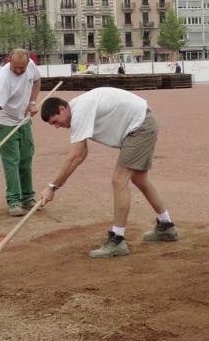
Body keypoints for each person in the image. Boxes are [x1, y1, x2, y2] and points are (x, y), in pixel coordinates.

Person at [40, 87, 179, 258]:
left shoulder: (80, 109)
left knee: (119, 180)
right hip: (140, 125)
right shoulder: (78, 110)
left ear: (62, 109)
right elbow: (81, 154)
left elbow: (77, 155)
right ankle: (166, 226)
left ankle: (117, 240)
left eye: (55, 121)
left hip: (140, 127)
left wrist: (52, 187)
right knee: (139, 179)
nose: (57, 127)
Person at [0, 48, 42, 216]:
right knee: (12, 162)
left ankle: (27, 198)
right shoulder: (4, 79)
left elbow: (37, 80)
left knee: (26, 159)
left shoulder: (31, 65)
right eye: (15, 67)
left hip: (24, 120)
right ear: (9, 62)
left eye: (22, 68)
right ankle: (14, 201)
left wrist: (33, 102)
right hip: (5, 123)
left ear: (28, 62)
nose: (19, 71)